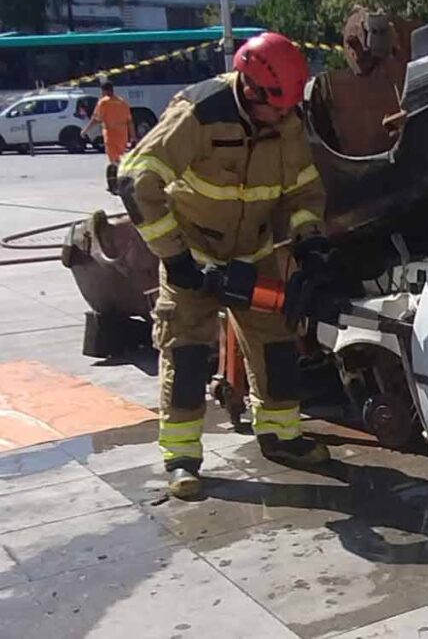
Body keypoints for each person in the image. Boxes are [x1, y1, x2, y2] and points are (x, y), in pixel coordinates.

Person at [115, 32, 333, 499]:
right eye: (277, 109)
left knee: (276, 345)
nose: (285, 118)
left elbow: (303, 189)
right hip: (190, 254)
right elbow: (137, 180)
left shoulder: (285, 117)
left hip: (251, 252)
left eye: (289, 109)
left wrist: (310, 242)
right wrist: (175, 260)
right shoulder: (199, 113)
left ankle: (280, 435)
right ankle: (182, 458)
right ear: (251, 91)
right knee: (188, 354)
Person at [82, 81, 135, 192]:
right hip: (123, 133)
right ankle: (123, 180)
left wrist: (85, 130)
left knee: (114, 160)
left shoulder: (103, 102)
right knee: (121, 157)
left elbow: (96, 119)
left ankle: (117, 183)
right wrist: (133, 137)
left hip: (111, 133)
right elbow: (130, 121)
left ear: (104, 91)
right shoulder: (122, 102)